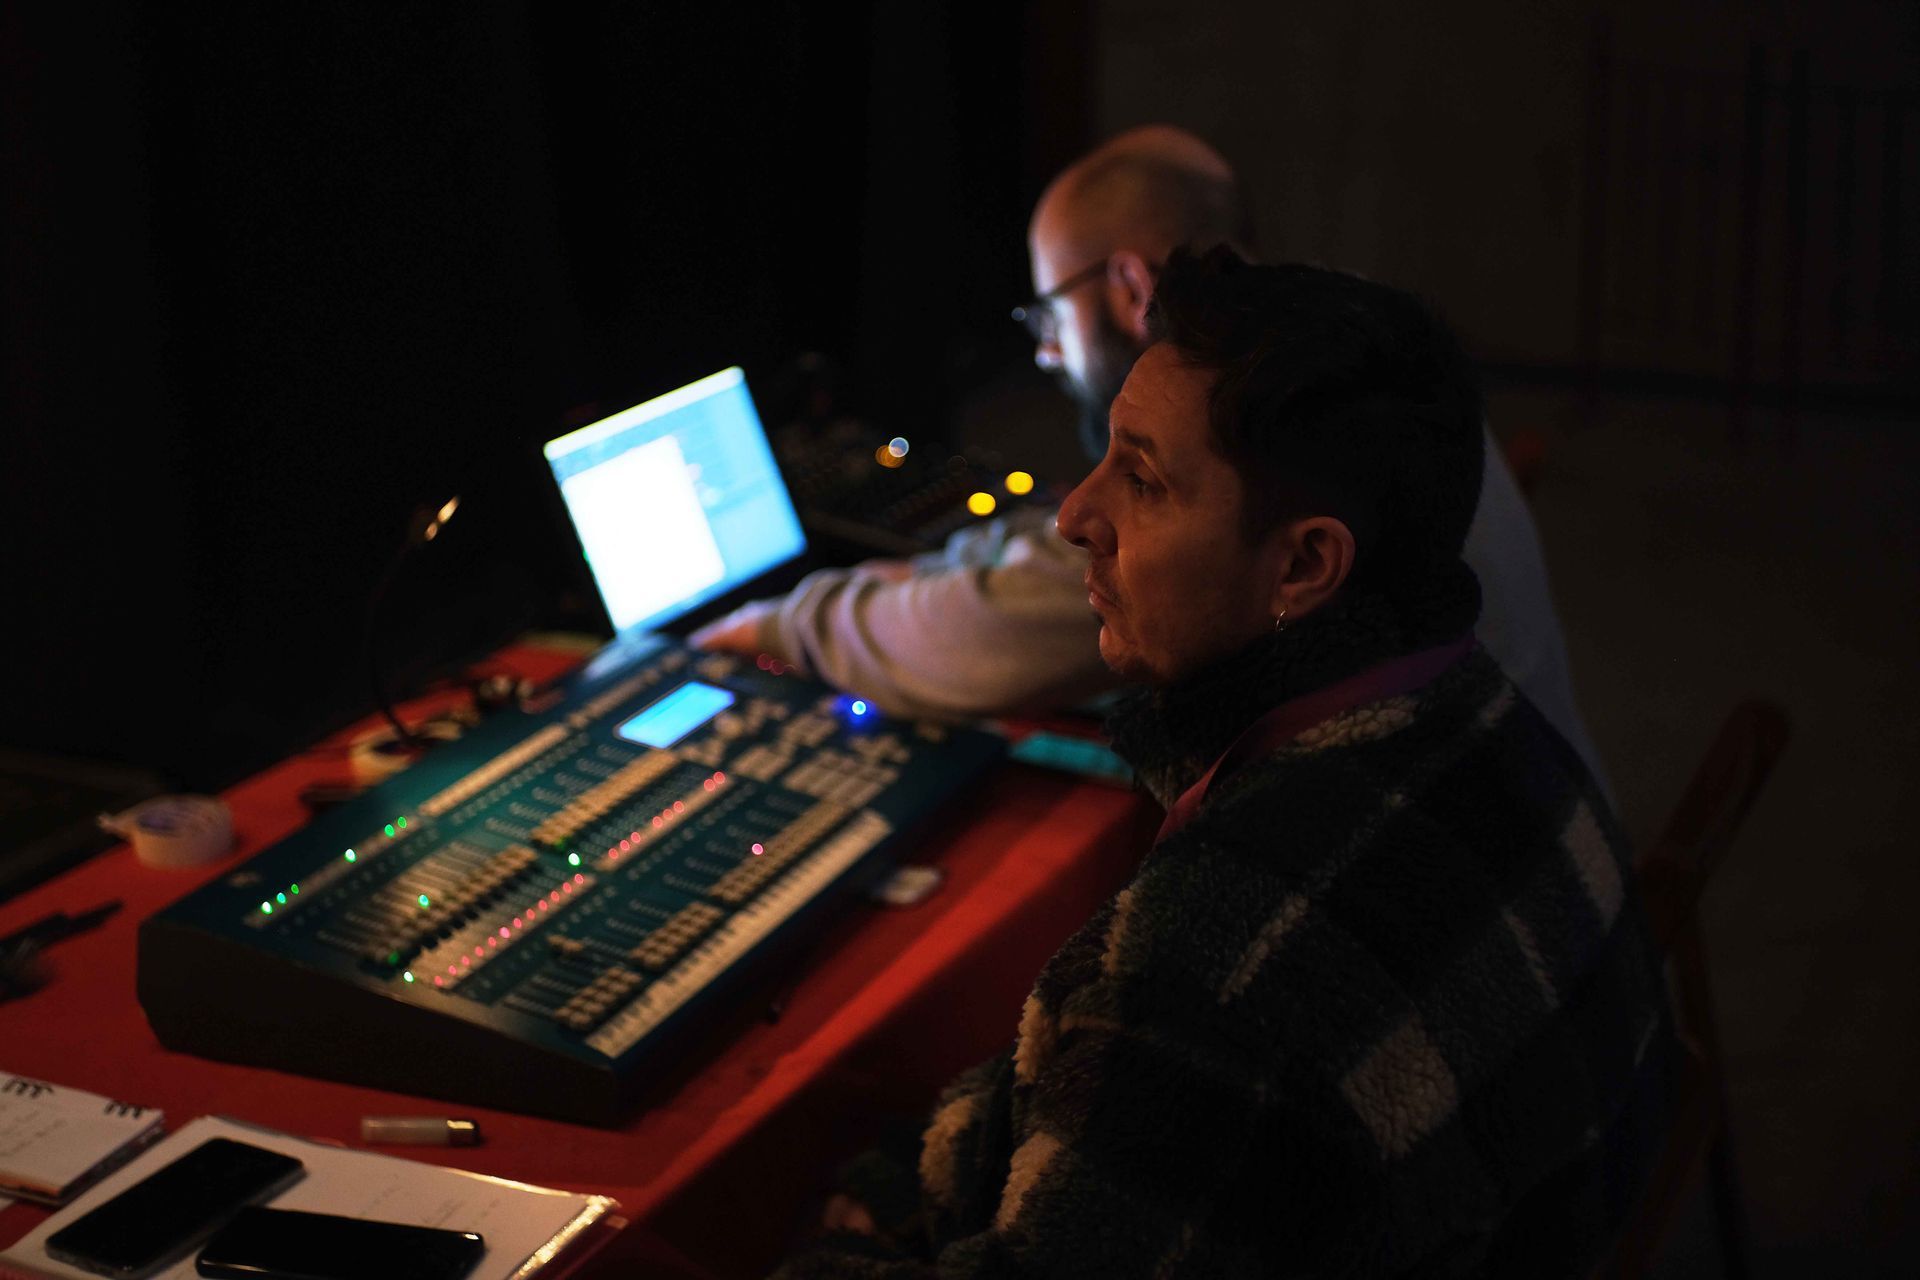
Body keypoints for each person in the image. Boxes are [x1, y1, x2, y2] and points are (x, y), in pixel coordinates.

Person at [771, 249, 1672, 1279]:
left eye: (1143, 481)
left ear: (1304, 564)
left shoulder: (1214, 966)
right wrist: (924, 1173)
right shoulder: (1470, 699)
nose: (1075, 517)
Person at [693, 125, 1607, 788]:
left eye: (1048, 314)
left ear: (1132, 284)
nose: (1046, 354)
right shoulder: (1360, 342)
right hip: (1534, 811)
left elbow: (991, 635)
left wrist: (793, 623)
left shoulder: (1250, 428)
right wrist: (942, 564)